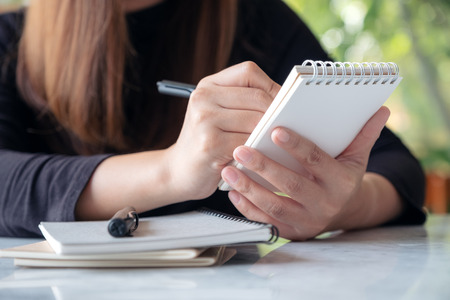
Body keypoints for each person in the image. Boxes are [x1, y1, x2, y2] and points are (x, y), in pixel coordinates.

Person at [0, 0, 426, 239]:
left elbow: (396, 167)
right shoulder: (9, 38)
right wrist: (169, 171)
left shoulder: (258, 19)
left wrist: (344, 206)